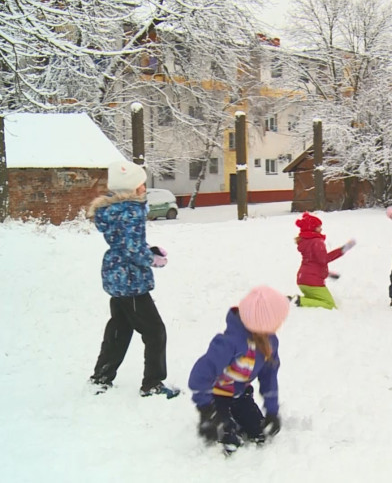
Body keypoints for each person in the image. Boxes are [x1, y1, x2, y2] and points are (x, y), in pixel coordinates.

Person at [87, 161, 179, 398]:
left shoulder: (114, 209)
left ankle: (101, 378)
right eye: (141, 183)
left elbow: (123, 242)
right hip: (131, 281)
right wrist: (152, 259)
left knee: (120, 327)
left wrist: (149, 248)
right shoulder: (132, 210)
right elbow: (132, 249)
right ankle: (153, 384)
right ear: (133, 187)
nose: (144, 188)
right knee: (155, 331)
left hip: (116, 275)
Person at [189, 286, 289, 454]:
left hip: (241, 395)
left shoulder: (270, 343)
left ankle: (236, 418)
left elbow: (269, 377)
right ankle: (225, 422)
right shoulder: (229, 343)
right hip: (217, 397)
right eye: (278, 320)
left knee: (259, 433)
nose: (280, 324)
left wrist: (272, 411)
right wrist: (206, 412)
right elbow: (199, 376)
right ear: (263, 323)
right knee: (230, 443)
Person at [292, 212, 355, 309]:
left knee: (315, 301)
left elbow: (313, 263)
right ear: (311, 228)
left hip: (302, 280)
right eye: (318, 227)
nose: (321, 229)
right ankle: (298, 301)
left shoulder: (306, 242)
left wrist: (327, 274)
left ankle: (299, 301)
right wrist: (343, 250)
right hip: (313, 282)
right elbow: (324, 259)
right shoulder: (317, 242)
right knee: (329, 305)